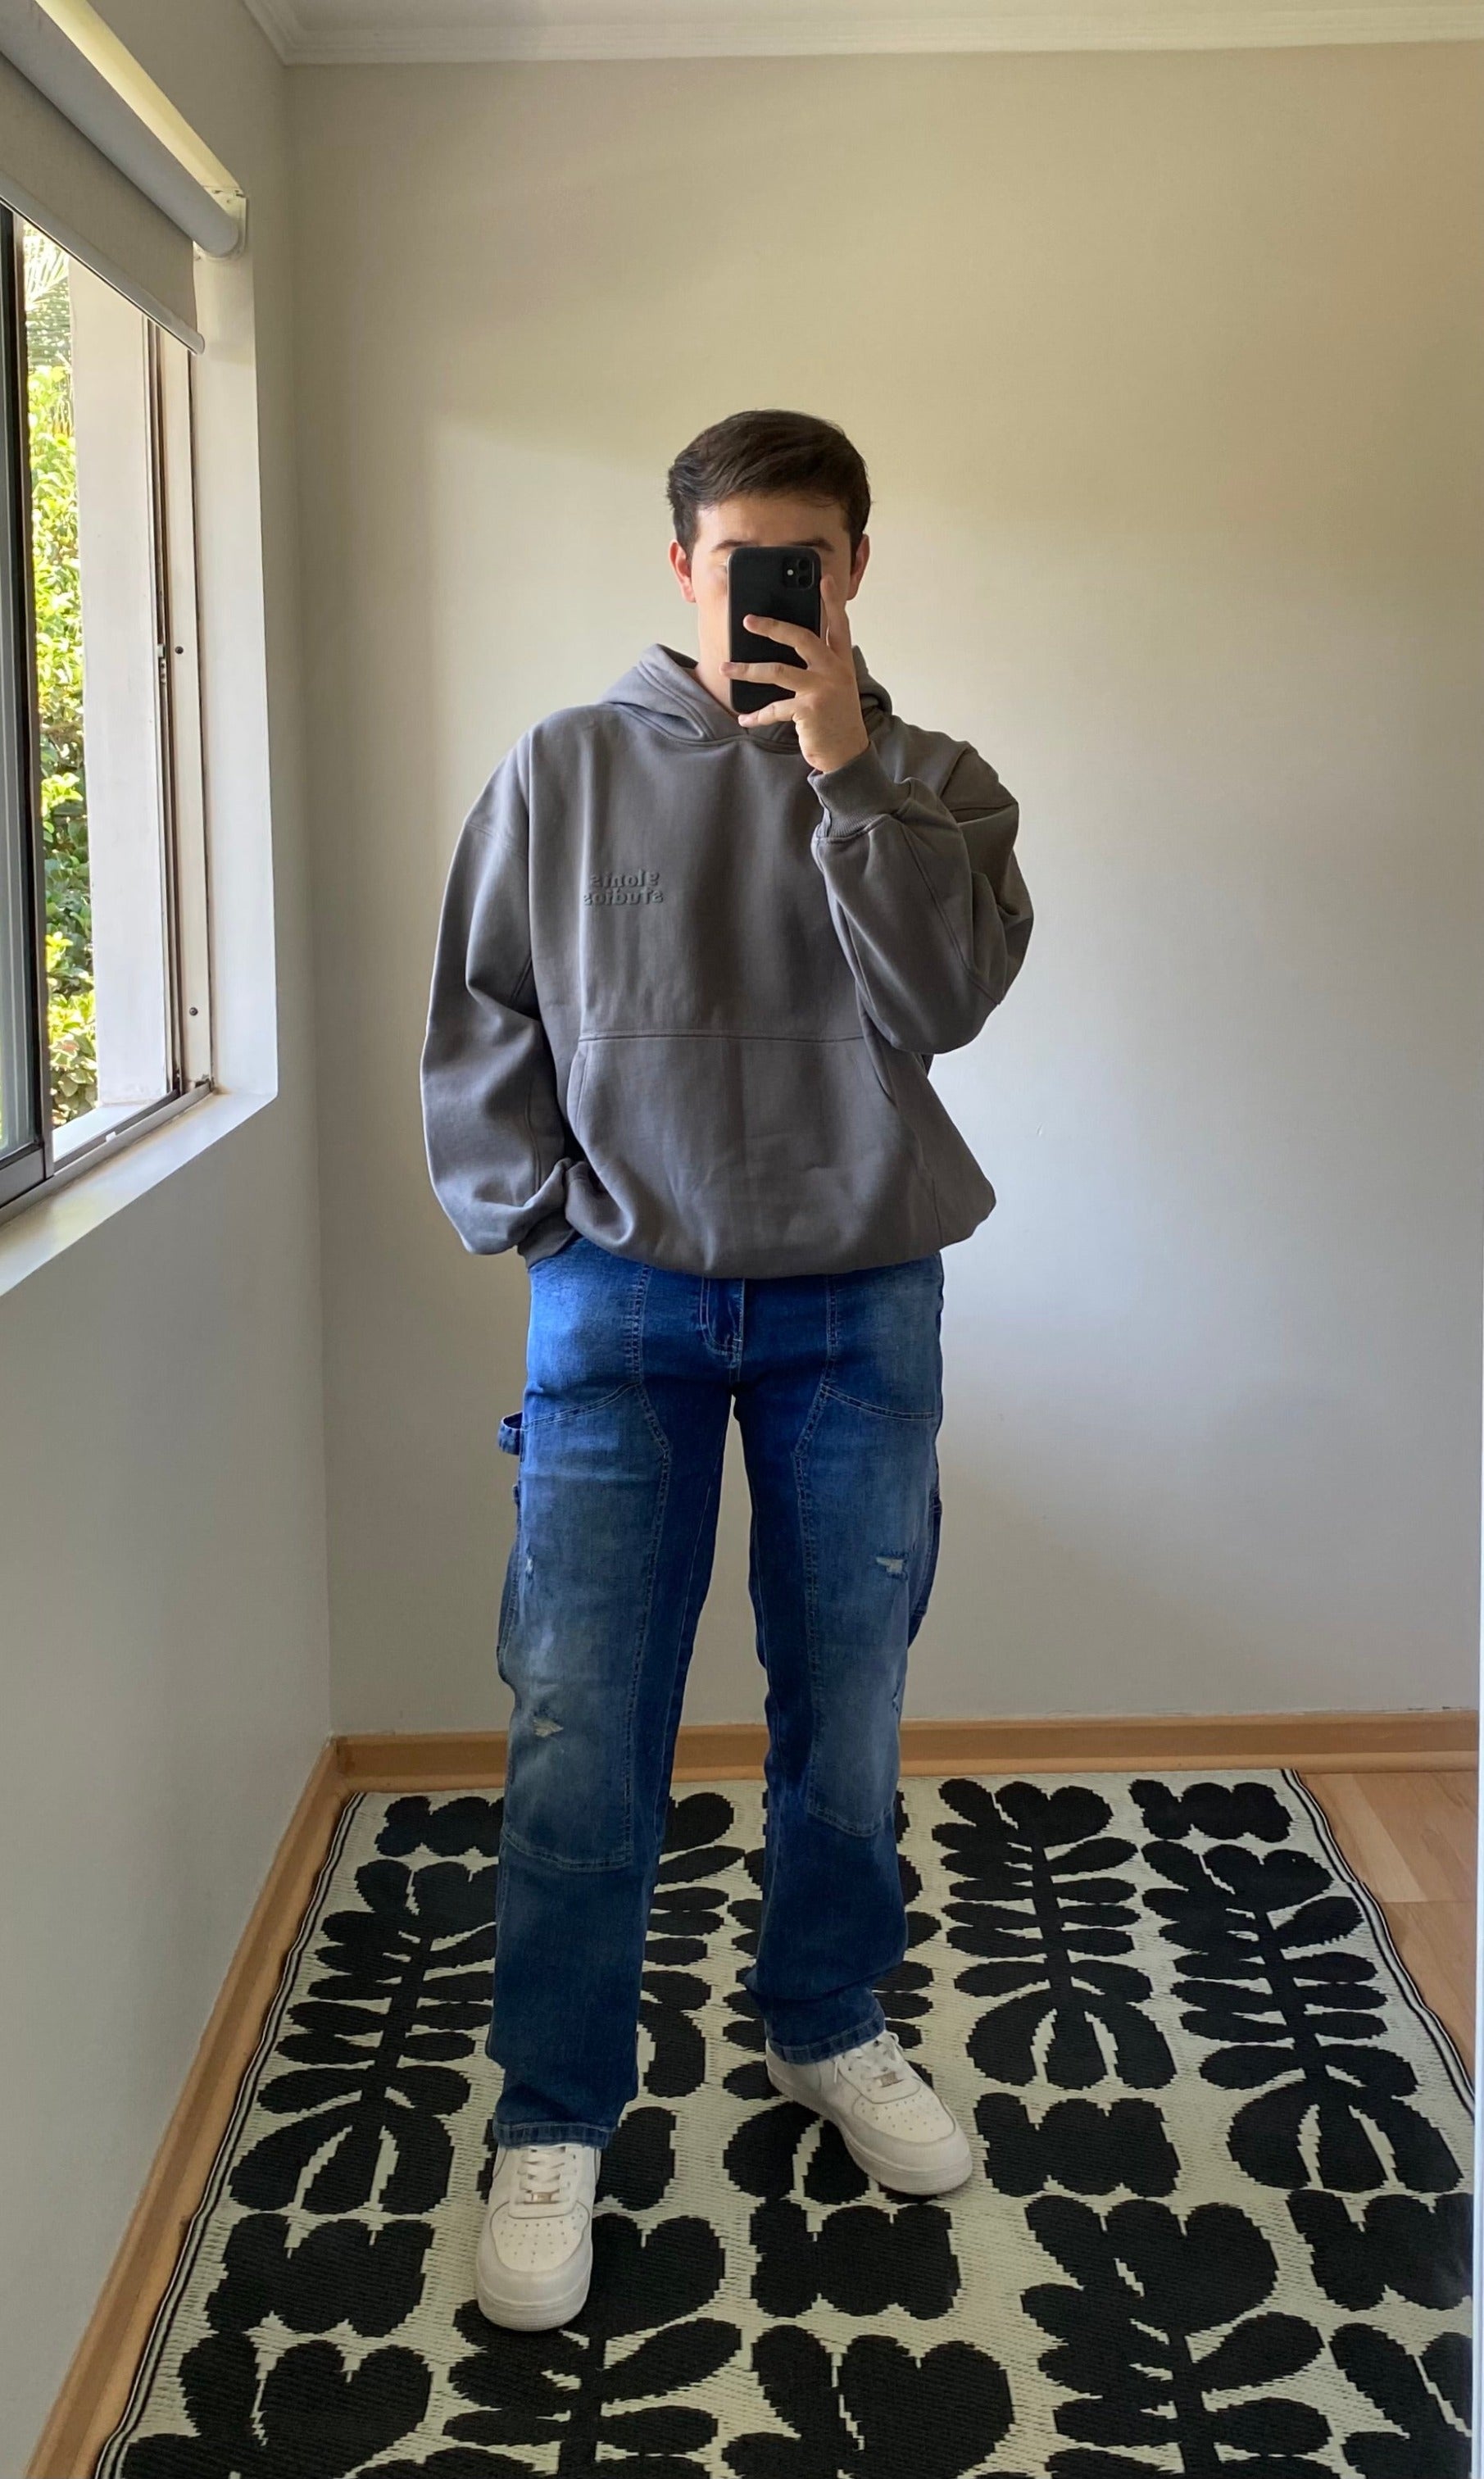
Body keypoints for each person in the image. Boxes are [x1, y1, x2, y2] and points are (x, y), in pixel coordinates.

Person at [420, 407, 1032, 2332]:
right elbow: (483, 1013)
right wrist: (541, 1221)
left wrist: (845, 770)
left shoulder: (939, 783)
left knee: (846, 1696)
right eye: (741, 560)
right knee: (578, 1713)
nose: (773, 592)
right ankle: (555, 2109)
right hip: (623, 1301)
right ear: (681, 565)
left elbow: (945, 1002)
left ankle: (826, 2016)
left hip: (861, 1298)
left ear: (856, 572)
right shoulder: (565, 766)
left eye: (810, 565)